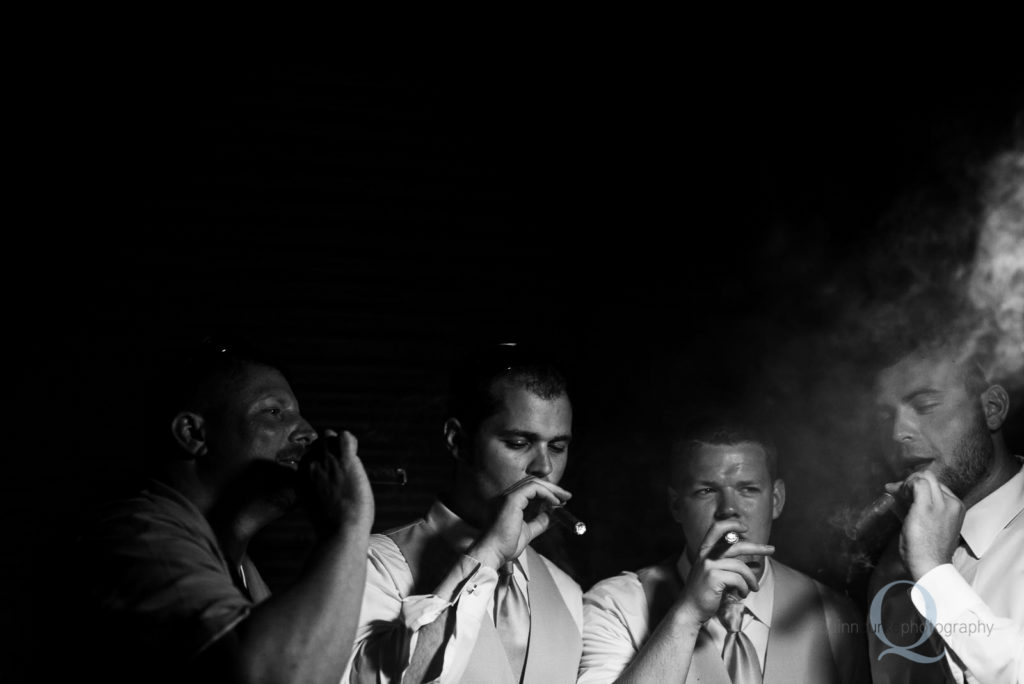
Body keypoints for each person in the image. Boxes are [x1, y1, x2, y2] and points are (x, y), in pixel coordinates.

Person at [73, 335, 375, 684]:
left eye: (299, 414)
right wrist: (348, 524)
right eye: (274, 412)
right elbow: (275, 677)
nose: (307, 433)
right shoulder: (139, 537)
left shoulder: (239, 565)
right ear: (193, 434)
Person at [343, 342, 582, 683]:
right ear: (457, 440)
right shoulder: (374, 565)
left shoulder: (567, 592)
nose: (543, 467)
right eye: (518, 443)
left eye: (558, 447)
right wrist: (488, 555)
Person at [579, 415, 869, 684]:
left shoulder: (833, 614)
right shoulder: (615, 606)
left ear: (777, 500)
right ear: (677, 506)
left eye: (748, 489)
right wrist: (688, 613)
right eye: (707, 491)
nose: (729, 509)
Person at [868, 338, 1023, 683]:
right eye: (885, 417)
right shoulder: (890, 568)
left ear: (992, 407)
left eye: (924, 406)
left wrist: (934, 574)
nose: (898, 433)